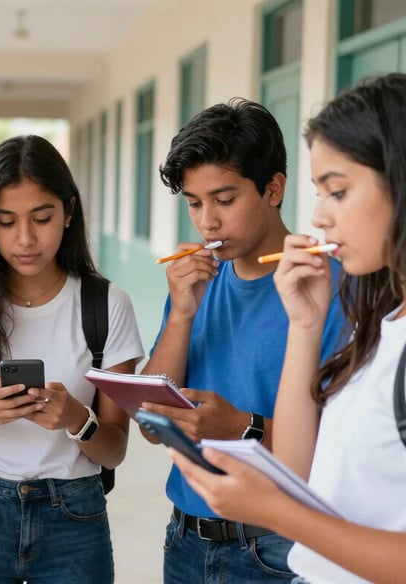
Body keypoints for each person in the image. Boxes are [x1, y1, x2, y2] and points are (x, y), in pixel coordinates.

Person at [172, 73, 406, 584]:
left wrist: (278, 513)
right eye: (320, 191)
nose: (318, 216)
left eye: (337, 191)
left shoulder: (370, 310)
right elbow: (302, 471)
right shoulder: (382, 323)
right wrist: (305, 322)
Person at [0, 135, 144, 583]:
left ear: (69, 212)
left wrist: (77, 418)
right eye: (5, 221)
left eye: (42, 218)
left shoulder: (106, 305)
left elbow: (114, 451)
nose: (25, 239)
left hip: (74, 517)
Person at [139, 99, 347, 583]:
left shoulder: (332, 290)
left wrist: (242, 427)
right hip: (186, 538)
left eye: (224, 199)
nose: (206, 221)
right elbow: (151, 425)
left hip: (276, 547)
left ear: (273, 189)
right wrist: (181, 317)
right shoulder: (194, 283)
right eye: (194, 202)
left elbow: (339, 447)